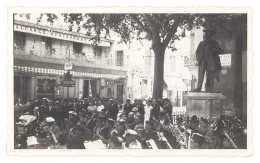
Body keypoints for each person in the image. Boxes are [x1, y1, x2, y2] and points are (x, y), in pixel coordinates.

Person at [194, 27, 223, 92]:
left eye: (208, 33)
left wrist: (214, 49)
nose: (206, 35)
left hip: (211, 61)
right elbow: (197, 52)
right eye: (205, 33)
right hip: (202, 60)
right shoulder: (201, 43)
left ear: (211, 35)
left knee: (210, 75)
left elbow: (221, 51)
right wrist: (199, 59)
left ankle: (209, 88)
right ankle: (199, 87)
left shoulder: (215, 43)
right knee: (200, 75)